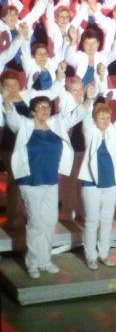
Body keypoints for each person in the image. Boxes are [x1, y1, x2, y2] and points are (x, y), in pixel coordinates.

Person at [3, 86, 85, 278]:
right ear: (32, 111)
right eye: (40, 107)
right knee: (36, 223)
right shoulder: (24, 125)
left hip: (51, 181)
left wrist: (87, 99)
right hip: (30, 182)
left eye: (47, 106)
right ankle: (33, 263)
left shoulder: (57, 123)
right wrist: (7, 99)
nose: (45, 110)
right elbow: (11, 115)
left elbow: (76, 115)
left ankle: (45, 260)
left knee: (49, 221)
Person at [79, 94, 116, 269]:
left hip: (111, 182)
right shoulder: (90, 131)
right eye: (102, 118)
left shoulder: (112, 131)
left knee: (107, 220)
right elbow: (85, 116)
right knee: (92, 221)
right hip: (91, 183)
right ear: (94, 119)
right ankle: (91, 256)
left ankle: (104, 254)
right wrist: (88, 98)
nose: (106, 121)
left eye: (108, 117)